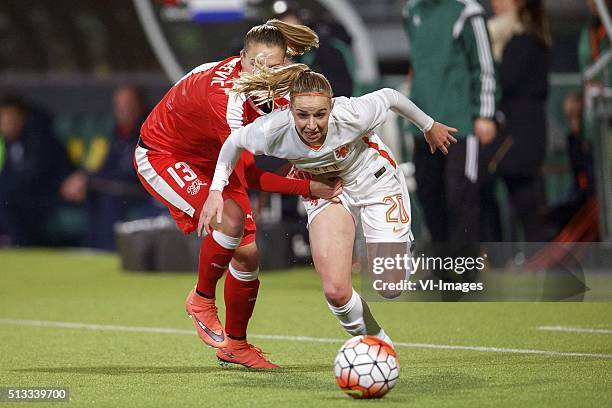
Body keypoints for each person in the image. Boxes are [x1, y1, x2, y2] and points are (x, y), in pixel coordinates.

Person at [200, 63, 457, 349]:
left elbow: (390, 96)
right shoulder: (273, 129)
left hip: (375, 182)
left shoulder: (352, 113)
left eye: (320, 114)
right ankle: (378, 344)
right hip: (328, 192)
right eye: (302, 115)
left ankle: (401, 248)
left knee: (389, 287)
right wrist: (215, 189)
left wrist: (429, 125)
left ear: (331, 107)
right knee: (336, 290)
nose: (312, 125)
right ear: (290, 111)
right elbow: (233, 144)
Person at [134, 20, 341, 369]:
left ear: (286, 64)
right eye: (255, 63)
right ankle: (201, 299)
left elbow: (247, 171)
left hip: (214, 156)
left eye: (272, 67)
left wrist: (307, 178)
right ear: (241, 57)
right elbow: (240, 161)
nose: (263, 72)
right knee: (229, 221)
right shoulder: (227, 99)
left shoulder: (285, 89)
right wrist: (301, 182)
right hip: (165, 153)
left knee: (247, 256)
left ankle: (236, 347)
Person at [402, 0, 497, 243]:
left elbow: (484, 65)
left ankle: (465, 269)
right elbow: (418, 66)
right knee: (428, 193)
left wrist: (484, 114)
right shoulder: (411, 10)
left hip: (460, 122)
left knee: (461, 195)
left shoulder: (467, 11)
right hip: (423, 123)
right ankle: (443, 267)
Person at [480, 0, 551, 242]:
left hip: (519, 132)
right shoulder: (524, 37)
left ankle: (532, 255)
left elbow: (507, 80)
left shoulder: (523, 39)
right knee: (519, 195)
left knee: (523, 197)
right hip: (518, 130)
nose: (495, 3)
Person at [61, 85, 158, 250]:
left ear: (140, 106)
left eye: (128, 105)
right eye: (119, 106)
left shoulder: (150, 132)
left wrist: (92, 180)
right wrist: (85, 179)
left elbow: (133, 172)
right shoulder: (115, 134)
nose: (123, 110)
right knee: (93, 196)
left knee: (108, 201)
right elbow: (104, 168)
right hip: (109, 190)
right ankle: (90, 253)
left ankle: (104, 253)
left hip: (138, 193)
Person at [0, 96, 73, 246]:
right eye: (4, 120)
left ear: (22, 118)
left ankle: (17, 244)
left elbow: (36, 177)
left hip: (49, 196)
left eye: (11, 119)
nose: (8, 125)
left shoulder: (41, 139)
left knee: (6, 199)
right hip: (26, 196)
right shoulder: (9, 143)